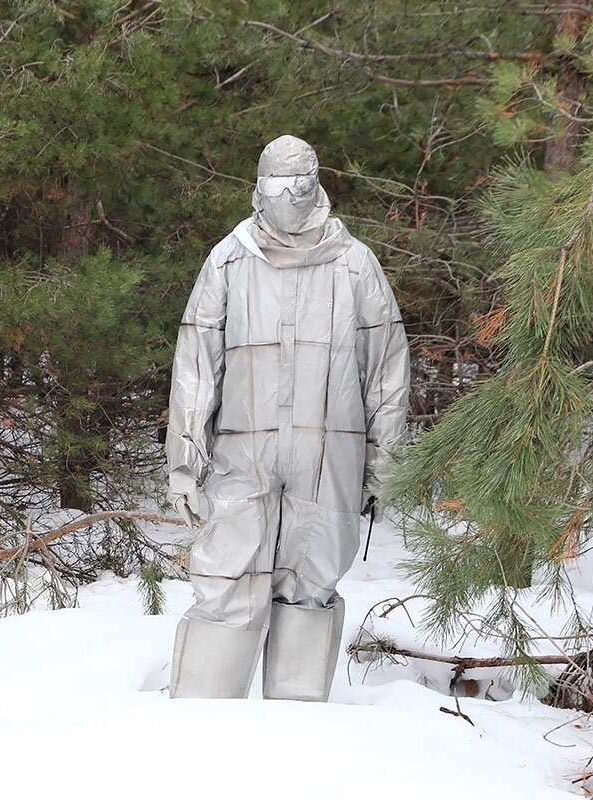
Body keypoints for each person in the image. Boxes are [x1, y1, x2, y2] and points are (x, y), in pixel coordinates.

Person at [166, 135, 410, 701]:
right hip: (242, 455)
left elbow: (386, 372)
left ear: (316, 183)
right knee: (226, 579)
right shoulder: (229, 261)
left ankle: (297, 731)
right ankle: (198, 728)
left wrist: (384, 464)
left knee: (311, 583)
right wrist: (185, 462)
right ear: (259, 188)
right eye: (279, 185)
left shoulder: (355, 266)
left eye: (300, 184)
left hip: (329, 456)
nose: (290, 197)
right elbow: (196, 367)